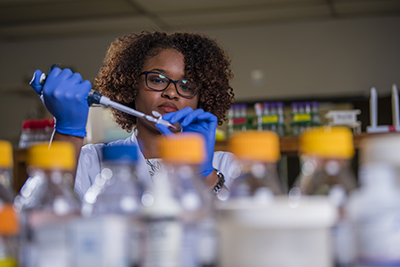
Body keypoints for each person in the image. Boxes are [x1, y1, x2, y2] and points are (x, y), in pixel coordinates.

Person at [29, 31, 236, 199]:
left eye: (186, 85)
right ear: (131, 85)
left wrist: (205, 175)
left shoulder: (227, 165)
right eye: (157, 80)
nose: (171, 92)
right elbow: (47, 226)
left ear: (201, 96)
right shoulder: (91, 161)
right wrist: (68, 132)